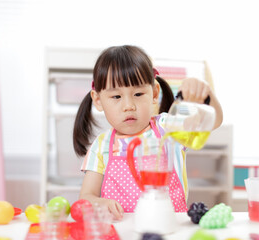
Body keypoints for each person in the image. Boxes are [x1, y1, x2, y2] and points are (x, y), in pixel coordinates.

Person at [73, 45, 223, 220]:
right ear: (98, 100)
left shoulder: (168, 127)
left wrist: (205, 93)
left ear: (154, 93)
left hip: (169, 227)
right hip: (123, 231)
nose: (128, 105)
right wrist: (99, 203)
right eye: (116, 97)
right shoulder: (101, 145)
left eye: (138, 94)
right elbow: (86, 197)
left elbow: (214, 121)